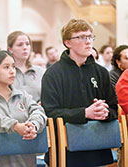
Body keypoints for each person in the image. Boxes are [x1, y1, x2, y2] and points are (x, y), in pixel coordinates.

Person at [41, 19, 118, 167]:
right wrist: (84, 113)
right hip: (66, 153)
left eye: (90, 37)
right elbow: (50, 113)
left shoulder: (101, 72)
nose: (88, 42)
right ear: (67, 43)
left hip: (98, 150)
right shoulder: (53, 74)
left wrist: (105, 113)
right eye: (82, 37)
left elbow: (114, 108)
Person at [0, 50, 47, 167]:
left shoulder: (23, 95)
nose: (12, 71)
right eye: (6, 67)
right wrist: (15, 126)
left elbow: (38, 111)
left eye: (13, 67)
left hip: (24, 162)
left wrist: (33, 125)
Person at [7, 31, 45, 102]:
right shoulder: (5, 72)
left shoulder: (41, 71)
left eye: (27, 44)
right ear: (10, 49)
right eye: (20, 45)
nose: (25, 48)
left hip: (38, 111)